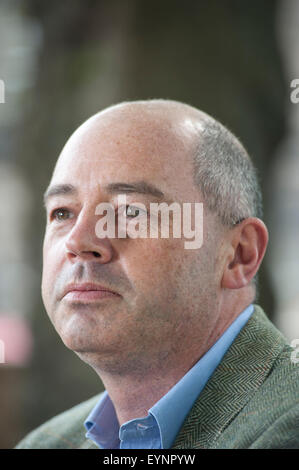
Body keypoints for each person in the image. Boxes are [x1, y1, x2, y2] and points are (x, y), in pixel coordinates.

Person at [16, 100, 299, 449]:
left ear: (239, 255)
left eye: (130, 210)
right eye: (62, 213)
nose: (78, 241)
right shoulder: (46, 443)